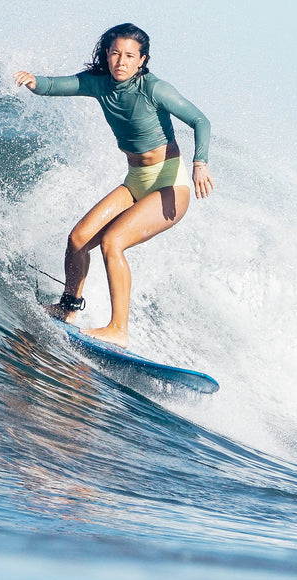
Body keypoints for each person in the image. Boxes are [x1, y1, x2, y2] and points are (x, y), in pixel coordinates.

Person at [14, 23, 214, 347]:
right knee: (78, 239)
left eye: (129, 56)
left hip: (170, 182)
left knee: (113, 241)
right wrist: (35, 83)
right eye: (116, 53)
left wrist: (200, 163)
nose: (121, 61)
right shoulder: (101, 84)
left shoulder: (154, 88)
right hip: (136, 180)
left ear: (142, 60)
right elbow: (56, 85)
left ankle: (119, 329)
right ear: (107, 55)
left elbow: (200, 121)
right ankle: (68, 308)